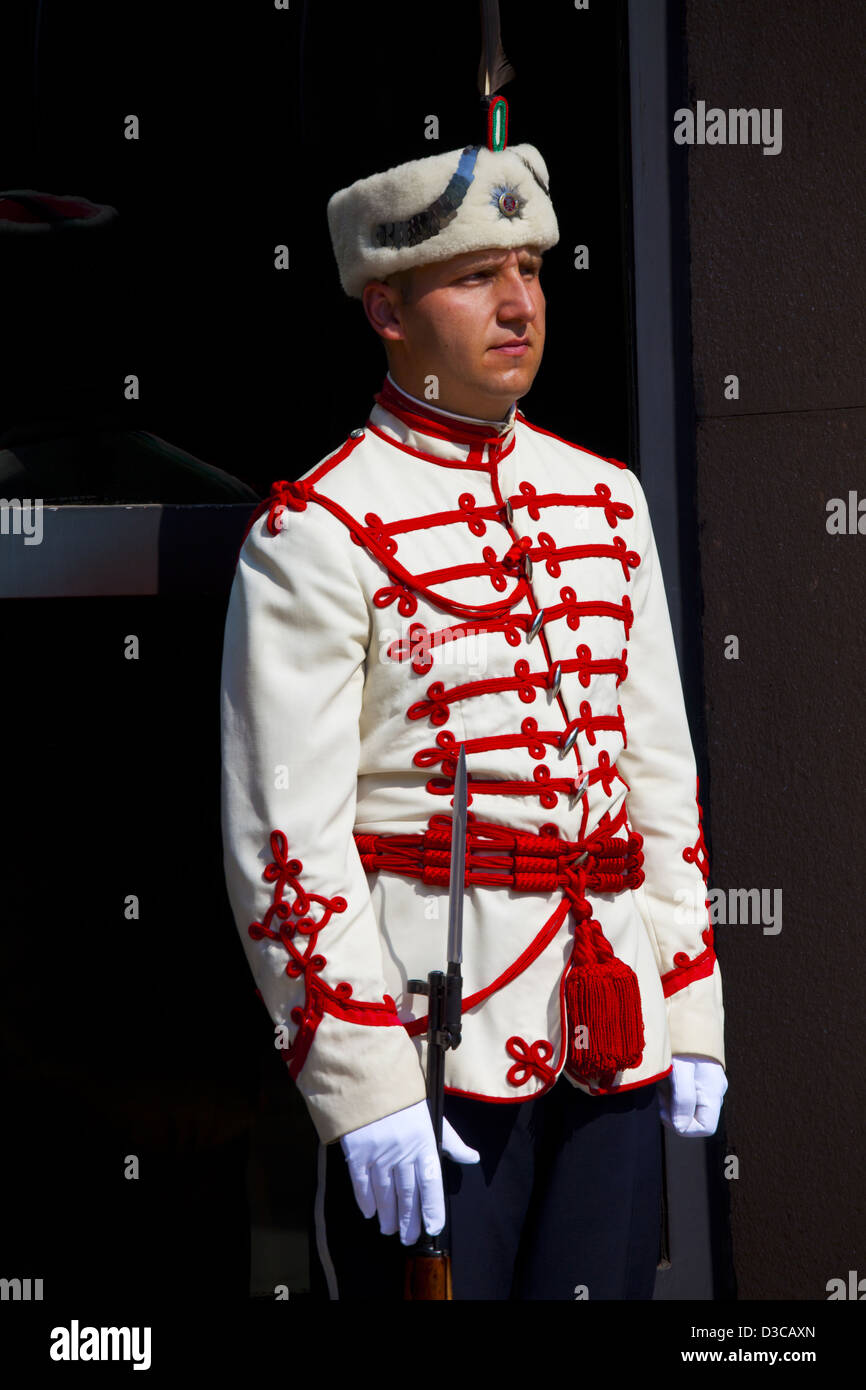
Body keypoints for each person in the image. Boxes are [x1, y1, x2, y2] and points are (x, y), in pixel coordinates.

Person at [220, 127, 727, 1300]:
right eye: (472, 276)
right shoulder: (316, 533)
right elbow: (283, 844)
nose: (517, 303)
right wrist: (362, 1084)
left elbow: (657, 780)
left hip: (613, 1035)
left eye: (532, 271)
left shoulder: (606, 499)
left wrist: (688, 1004)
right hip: (428, 1054)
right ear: (386, 311)